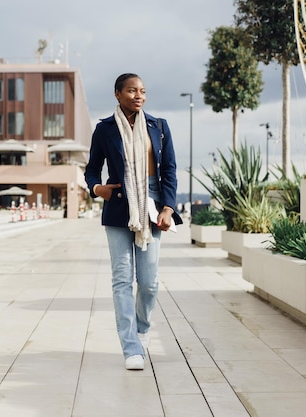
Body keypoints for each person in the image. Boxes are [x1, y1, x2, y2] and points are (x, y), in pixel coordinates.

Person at [84, 73, 182, 370]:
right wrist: (96, 188)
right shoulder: (105, 129)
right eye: (131, 90)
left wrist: (167, 207)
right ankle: (131, 347)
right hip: (117, 206)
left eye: (142, 91)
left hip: (150, 205)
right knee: (122, 279)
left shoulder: (159, 126)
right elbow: (91, 169)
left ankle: (141, 328)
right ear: (117, 94)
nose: (138, 95)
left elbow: (170, 170)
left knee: (149, 283)